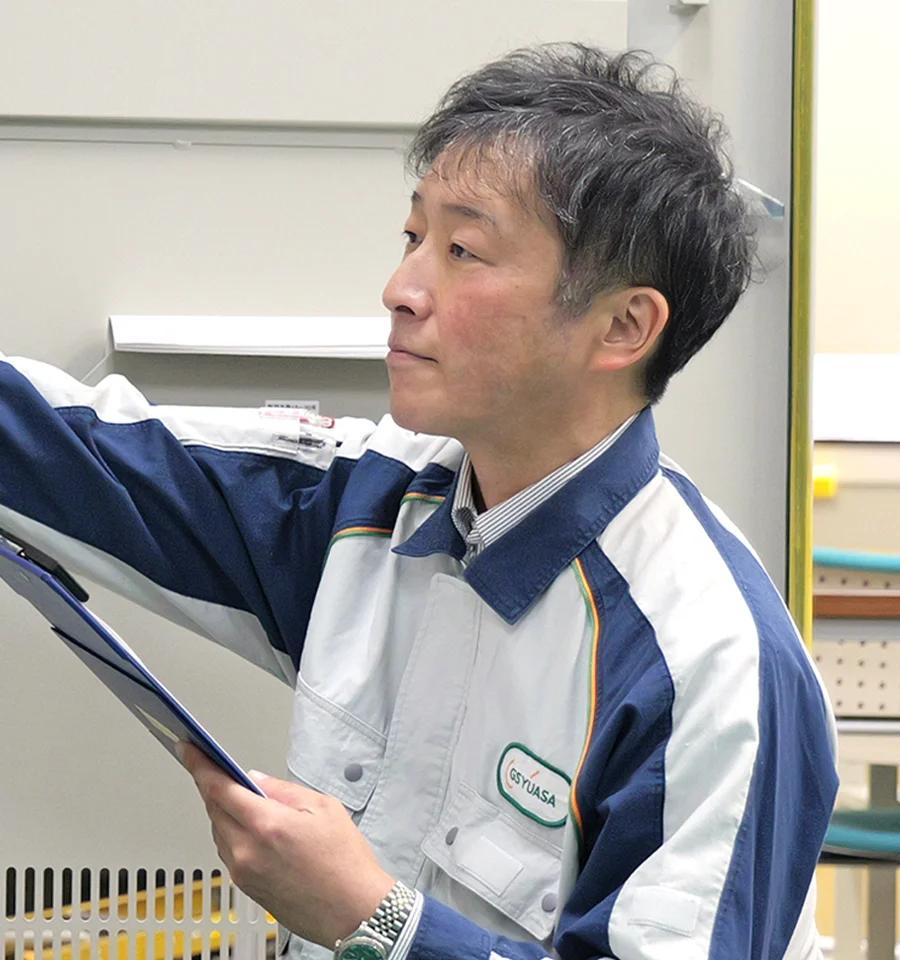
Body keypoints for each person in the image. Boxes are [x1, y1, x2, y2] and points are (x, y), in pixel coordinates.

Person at [0, 43, 837, 960]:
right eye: (413, 238)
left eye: (464, 251)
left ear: (623, 326)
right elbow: (71, 454)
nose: (400, 290)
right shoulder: (367, 500)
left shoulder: (710, 666)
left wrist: (378, 921)